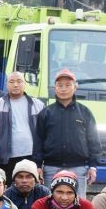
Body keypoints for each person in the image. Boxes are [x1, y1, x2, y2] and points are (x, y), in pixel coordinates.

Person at [36, 69, 101, 198]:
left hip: (78, 168)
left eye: (67, 85)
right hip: (51, 168)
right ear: (55, 88)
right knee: (50, 203)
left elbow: (93, 141)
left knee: (78, 205)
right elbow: (38, 141)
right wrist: (38, 166)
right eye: (60, 86)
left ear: (75, 87)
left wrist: (93, 166)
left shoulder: (85, 112)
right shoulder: (46, 113)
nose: (63, 89)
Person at [0, 71, 45, 185]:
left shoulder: (38, 104)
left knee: (31, 189)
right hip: (6, 159)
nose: (15, 85)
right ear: (6, 84)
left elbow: (45, 133)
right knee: (9, 191)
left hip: (32, 156)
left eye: (19, 81)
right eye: (11, 81)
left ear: (25, 84)